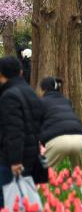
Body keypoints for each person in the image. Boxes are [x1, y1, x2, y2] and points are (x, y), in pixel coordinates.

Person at [0, 56, 46, 204]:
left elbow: (14, 130)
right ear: (20, 72)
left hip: (11, 159)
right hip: (31, 155)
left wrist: (15, 161)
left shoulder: (9, 96)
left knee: (8, 202)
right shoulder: (30, 92)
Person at [37, 77, 82, 170]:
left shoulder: (41, 102)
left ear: (43, 89)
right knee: (78, 173)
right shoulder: (66, 101)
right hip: (80, 139)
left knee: (45, 173)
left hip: (57, 140)